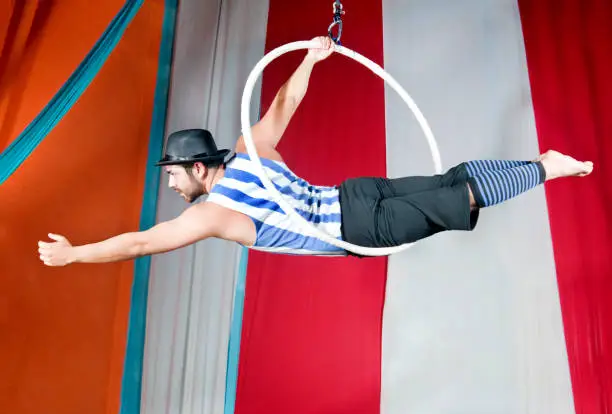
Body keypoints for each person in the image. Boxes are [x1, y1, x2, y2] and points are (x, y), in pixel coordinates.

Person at [37, 36, 593, 266]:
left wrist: (77, 254)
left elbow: (140, 241)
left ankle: (544, 169)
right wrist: (311, 57)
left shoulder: (211, 215)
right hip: (357, 193)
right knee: (453, 184)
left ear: (197, 168)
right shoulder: (249, 147)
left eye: (173, 175)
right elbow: (284, 101)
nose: (171, 185)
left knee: (462, 198)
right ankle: (541, 163)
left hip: (358, 229)